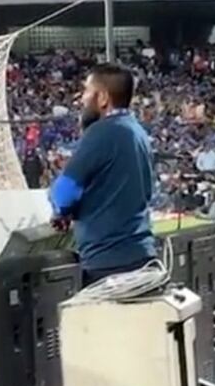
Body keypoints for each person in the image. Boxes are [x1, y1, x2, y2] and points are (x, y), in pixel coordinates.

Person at [48, 63, 156, 288]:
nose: (82, 99)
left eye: (87, 91)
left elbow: (63, 193)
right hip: (142, 256)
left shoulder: (102, 132)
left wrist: (62, 211)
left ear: (103, 98)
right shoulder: (138, 131)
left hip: (108, 264)